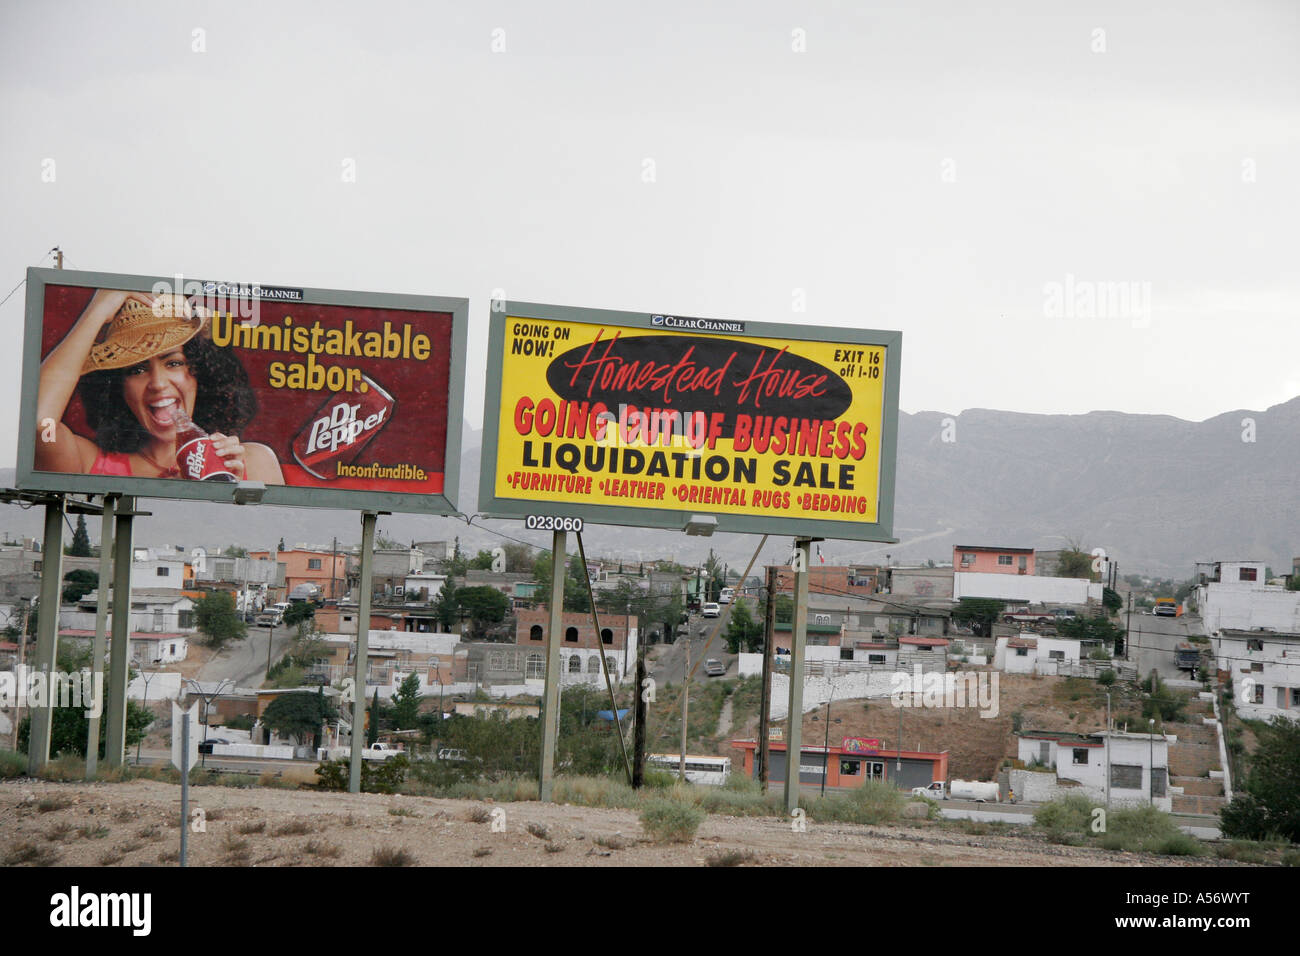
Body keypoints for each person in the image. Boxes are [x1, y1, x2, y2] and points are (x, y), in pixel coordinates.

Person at [35, 289, 284, 483]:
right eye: (137, 369)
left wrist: (228, 488)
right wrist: (98, 309)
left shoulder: (252, 462)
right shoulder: (89, 462)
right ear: (117, 388)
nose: (157, 383)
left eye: (173, 363)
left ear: (201, 374)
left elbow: (269, 546)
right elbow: (40, 423)